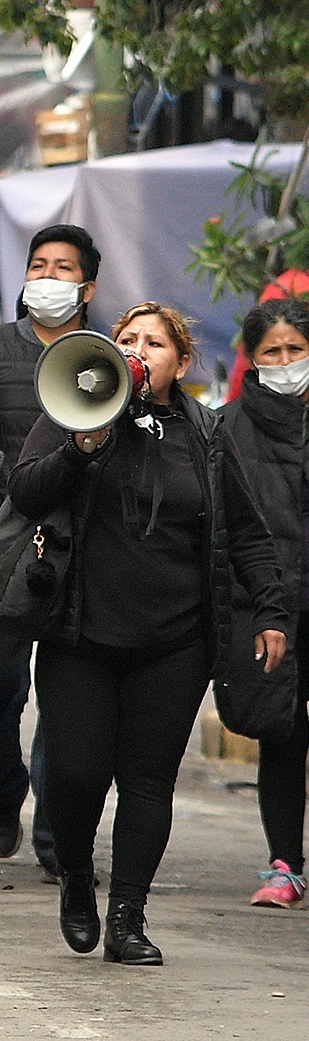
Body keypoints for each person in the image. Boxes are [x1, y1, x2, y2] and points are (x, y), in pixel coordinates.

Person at [9, 302, 291, 964]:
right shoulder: (75, 412)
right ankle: (76, 873)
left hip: (174, 643)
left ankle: (128, 915)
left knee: (146, 780)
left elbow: (246, 531)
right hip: (81, 636)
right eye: (126, 339)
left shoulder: (205, 434)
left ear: (181, 363)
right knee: (74, 777)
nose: (139, 350)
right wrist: (83, 444)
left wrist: (271, 609)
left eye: (154, 343)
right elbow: (26, 492)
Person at [0, 221, 98, 875]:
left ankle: (59, 843)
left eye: (64, 267)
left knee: (70, 709)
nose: (49, 277)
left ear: (87, 285)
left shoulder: (105, 355)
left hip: (80, 553)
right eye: (39, 264)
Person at [219, 295, 309, 909]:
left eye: (296, 350)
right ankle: (286, 866)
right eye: (271, 352)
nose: (284, 362)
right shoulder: (227, 428)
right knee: (281, 730)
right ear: (252, 359)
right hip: (269, 602)